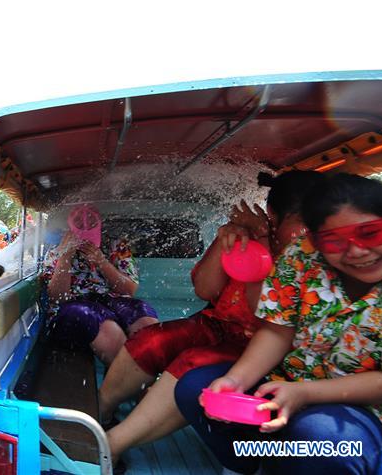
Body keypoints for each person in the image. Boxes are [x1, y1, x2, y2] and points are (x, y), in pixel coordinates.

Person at [98, 171, 324, 464]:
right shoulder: (249, 236)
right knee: (152, 340)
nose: (310, 231)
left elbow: (267, 315)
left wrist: (262, 242)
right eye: (302, 222)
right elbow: (205, 289)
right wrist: (226, 239)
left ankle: (111, 446)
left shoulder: (307, 256)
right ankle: (98, 414)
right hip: (215, 323)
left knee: (191, 362)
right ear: (272, 215)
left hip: (260, 341)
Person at [174, 173, 382, 475]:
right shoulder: (301, 256)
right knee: (196, 389)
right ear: (315, 239)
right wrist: (236, 381)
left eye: (371, 233)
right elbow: (277, 331)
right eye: (334, 240)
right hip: (291, 382)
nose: (356, 251)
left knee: (319, 438)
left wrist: (305, 394)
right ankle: (249, 464)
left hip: (372, 409)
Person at [42, 204, 159, 366]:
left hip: (110, 299)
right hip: (73, 307)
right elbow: (57, 297)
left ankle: (148, 374)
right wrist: (65, 256)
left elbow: (129, 290)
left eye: (91, 221)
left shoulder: (116, 247)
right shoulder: (57, 251)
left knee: (143, 315)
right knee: (101, 323)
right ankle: (126, 377)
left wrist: (101, 261)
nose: (84, 225)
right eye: (79, 222)